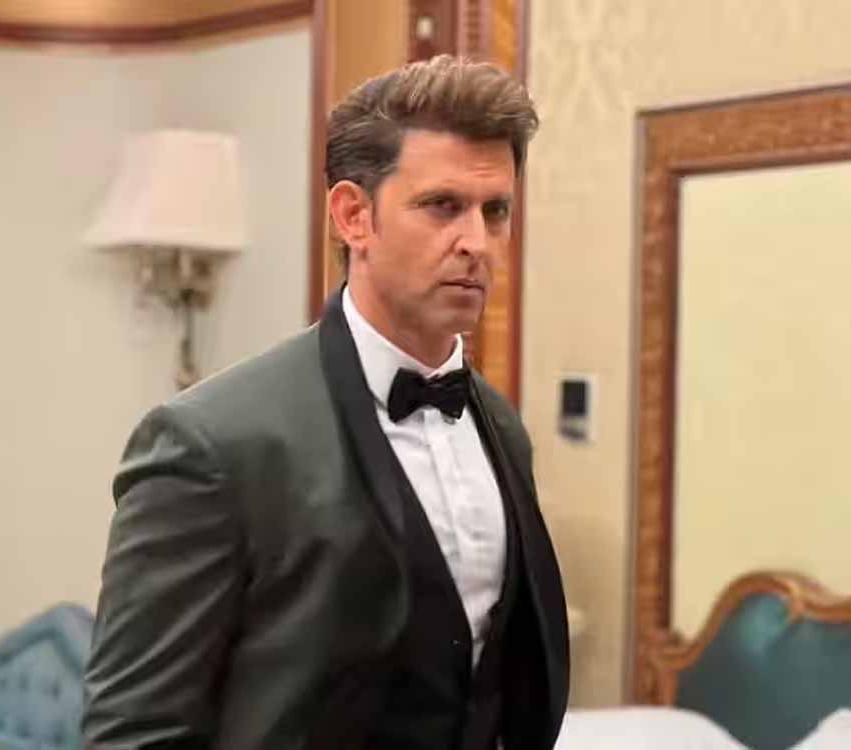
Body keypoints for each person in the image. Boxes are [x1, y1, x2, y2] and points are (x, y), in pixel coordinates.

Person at [82, 54, 569, 750]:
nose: (476, 243)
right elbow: (134, 734)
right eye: (442, 206)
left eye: (495, 211)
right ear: (353, 216)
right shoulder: (213, 443)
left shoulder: (501, 428)